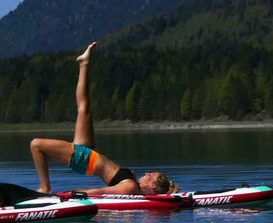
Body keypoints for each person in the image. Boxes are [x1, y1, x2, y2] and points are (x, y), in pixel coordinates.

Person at [26, 43, 176, 197]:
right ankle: (84, 63)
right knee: (84, 108)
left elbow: (99, 192)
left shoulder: (130, 187)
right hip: (90, 155)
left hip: (86, 160)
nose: (148, 173)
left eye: (151, 175)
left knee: (36, 145)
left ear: (152, 185)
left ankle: (45, 187)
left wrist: (65, 195)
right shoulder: (133, 184)